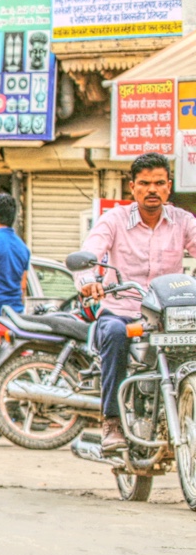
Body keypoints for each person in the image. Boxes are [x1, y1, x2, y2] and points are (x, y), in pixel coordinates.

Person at [80, 153, 196, 456]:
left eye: (159, 183)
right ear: (133, 187)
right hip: (123, 311)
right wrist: (89, 281)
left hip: (167, 315)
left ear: (169, 187)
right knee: (114, 335)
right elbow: (89, 254)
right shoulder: (114, 220)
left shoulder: (183, 221)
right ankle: (113, 421)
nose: (152, 189)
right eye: (144, 183)